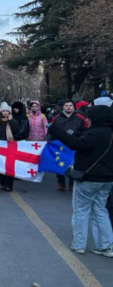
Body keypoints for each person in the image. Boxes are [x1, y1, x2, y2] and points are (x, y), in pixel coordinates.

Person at [48, 105, 113, 257]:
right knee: (100, 210)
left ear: (97, 118)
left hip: (88, 178)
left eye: (89, 118)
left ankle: (79, 244)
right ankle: (106, 246)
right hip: (108, 180)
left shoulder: (96, 134)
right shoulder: (109, 133)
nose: (86, 121)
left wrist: (56, 130)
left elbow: (76, 144)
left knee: (81, 211)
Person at [49, 99, 88, 192]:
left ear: (73, 106)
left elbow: (86, 130)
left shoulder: (80, 117)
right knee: (60, 163)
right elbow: (51, 129)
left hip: (74, 144)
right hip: (60, 144)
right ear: (63, 107)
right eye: (66, 105)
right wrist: (48, 140)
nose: (68, 107)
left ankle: (72, 184)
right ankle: (61, 182)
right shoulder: (56, 118)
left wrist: (78, 136)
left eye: (70, 105)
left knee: (72, 163)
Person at [0, 102, 21, 192]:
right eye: (3, 111)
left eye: (6, 111)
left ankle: (9, 185)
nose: (5, 112)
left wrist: (11, 121)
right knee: (1, 166)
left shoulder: (13, 121)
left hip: (10, 146)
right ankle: (2, 184)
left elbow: (17, 132)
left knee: (9, 166)